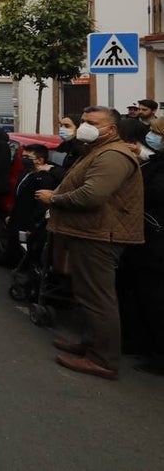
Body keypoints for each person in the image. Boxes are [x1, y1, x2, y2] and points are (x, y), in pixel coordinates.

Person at [35, 106, 144, 380]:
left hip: (100, 235)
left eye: (92, 122)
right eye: (83, 121)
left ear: (111, 129)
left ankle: (103, 360)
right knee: (87, 294)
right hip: (90, 232)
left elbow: (91, 196)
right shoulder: (98, 150)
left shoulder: (113, 155)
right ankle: (90, 344)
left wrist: (55, 199)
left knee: (98, 298)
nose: (84, 126)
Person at [119, 117, 164, 375]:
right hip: (144, 240)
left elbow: (152, 193)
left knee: (155, 299)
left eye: (157, 133)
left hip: (156, 244)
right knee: (140, 295)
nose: (151, 136)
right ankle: (141, 342)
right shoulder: (155, 160)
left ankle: (158, 353)